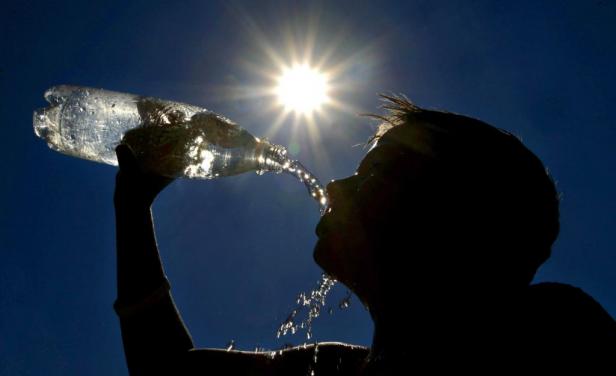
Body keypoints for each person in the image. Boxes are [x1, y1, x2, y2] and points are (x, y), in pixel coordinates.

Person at [113, 95, 616, 375]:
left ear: (454, 216)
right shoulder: (330, 372)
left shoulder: (552, 333)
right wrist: (133, 206)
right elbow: (169, 374)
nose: (334, 185)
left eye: (377, 174)